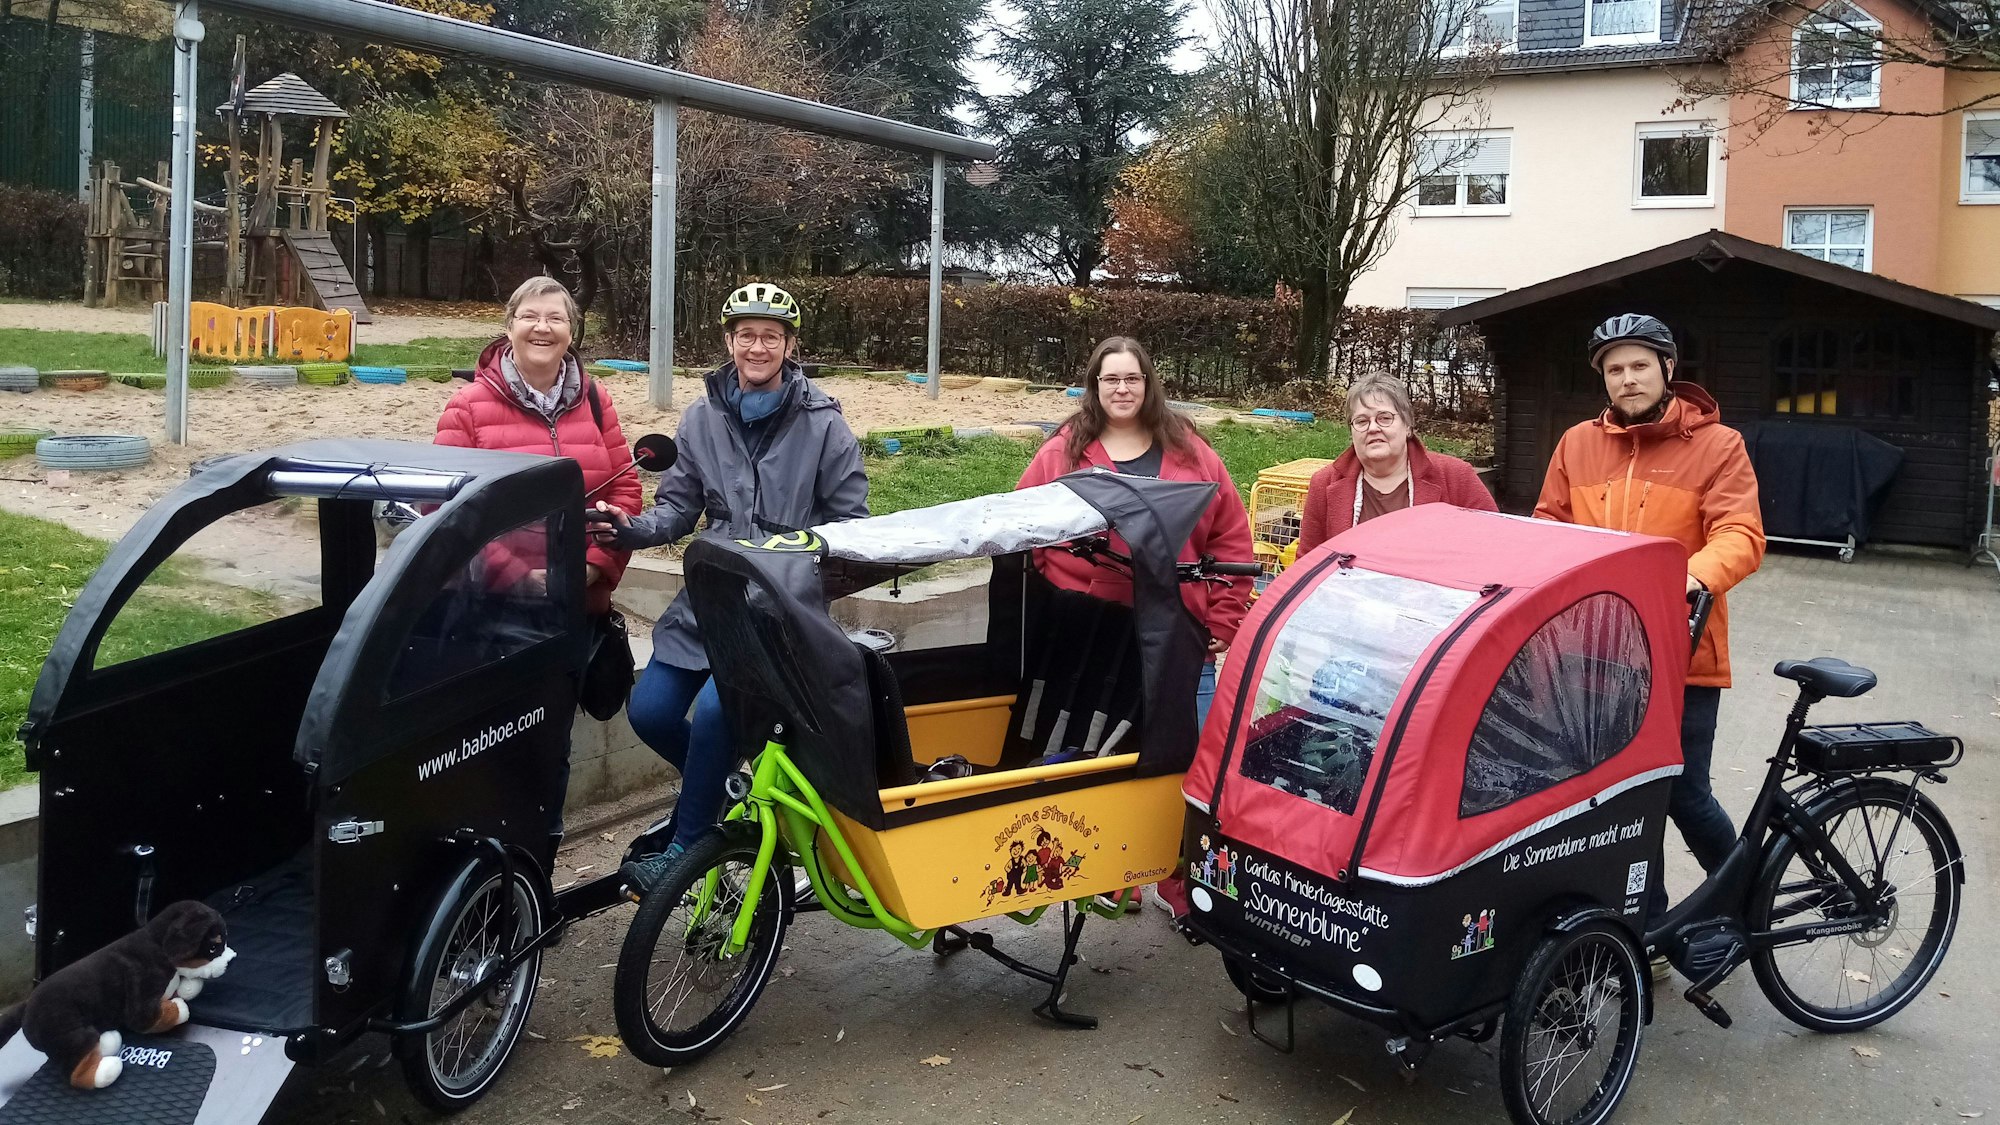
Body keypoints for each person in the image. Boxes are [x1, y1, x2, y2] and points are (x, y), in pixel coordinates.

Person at [598, 283, 868, 894]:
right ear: (729, 342)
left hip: (777, 608)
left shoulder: (823, 423)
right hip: (710, 598)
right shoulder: (700, 417)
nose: (757, 345)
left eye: (771, 336)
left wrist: (796, 564)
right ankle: (720, 796)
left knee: (722, 713)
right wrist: (630, 530)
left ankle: (690, 845)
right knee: (651, 710)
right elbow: (677, 509)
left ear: (790, 347)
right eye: (746, 334)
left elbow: (851, 521)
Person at [1533, 313, 1765, 979]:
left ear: (1668, 369)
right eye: (1613, 368)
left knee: (1683, 791)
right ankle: (1649, 927)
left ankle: (1750, 895)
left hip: (1683, 655)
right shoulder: (1578, 443)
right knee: (1623, 800)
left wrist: (1691, 575)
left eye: (1638, 364)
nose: (1626, 377)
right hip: (1595, 656)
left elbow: (1742, 534)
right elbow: (1549, 522)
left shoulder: (1718, 445)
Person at [433, 276, 643, 860]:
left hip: (575, 612)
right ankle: (476, 888)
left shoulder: (597, 401)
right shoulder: (468, 406)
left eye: (555, 317)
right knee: (491, 748)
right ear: (509, 326)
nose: (542, 327)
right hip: (497, 617)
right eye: (530, 316)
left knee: (552, 751)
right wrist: (519, 579)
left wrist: (592, 570)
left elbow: (624, 491)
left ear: (572, 332)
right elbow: (446, 513)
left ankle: (533, 887)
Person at [1015, 336, 1255, 729]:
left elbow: (1231, 538)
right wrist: (1067, 594)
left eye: (1132, 378)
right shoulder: (1062, 453)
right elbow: (1025, 530)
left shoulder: (1193, 452)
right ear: (1094, 386)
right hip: (1088, 639)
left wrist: (1224, 617)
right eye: (1110, 379)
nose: (1122, 389)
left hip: (1179, 638)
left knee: (1187, 761)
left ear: (1148, 384)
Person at [1296, 375, 1495, 555]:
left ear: (1407, 426)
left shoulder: (1455, 476)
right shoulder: (1324, 484)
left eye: (1384, 418)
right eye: (1362, 421)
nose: (1373, 428)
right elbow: (1306, 566)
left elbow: (1497, 543)